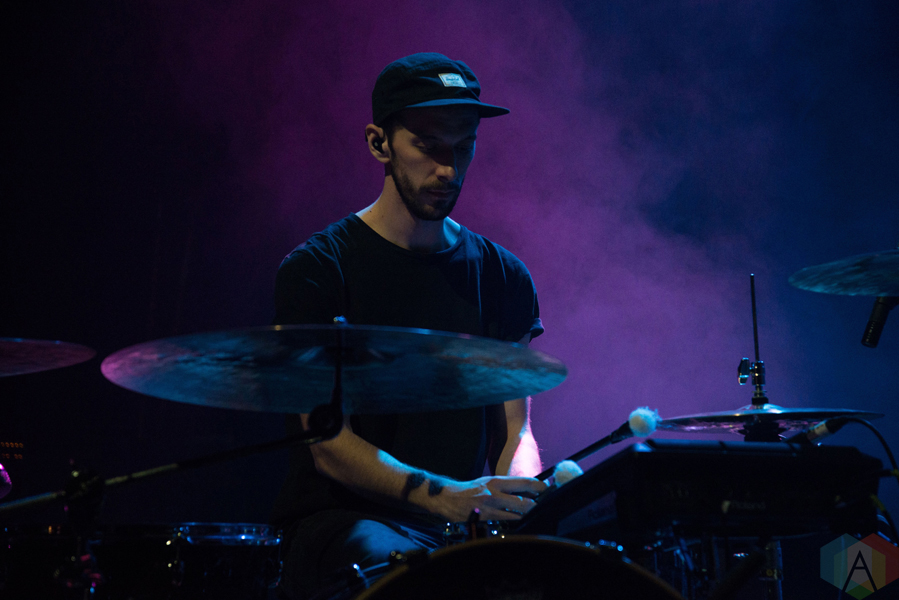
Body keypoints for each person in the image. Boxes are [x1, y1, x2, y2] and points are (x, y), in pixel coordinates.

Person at [270, 52, 548, 599]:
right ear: (379, 143)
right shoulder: (318, 269)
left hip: (458, 524)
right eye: (428, 145)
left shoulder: (504, 276)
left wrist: (517, 490)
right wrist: (447, 497)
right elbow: (327, 444)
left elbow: (516, 429)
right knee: (399, 572)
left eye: (463, 147)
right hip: (345, 528)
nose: (448, 169)